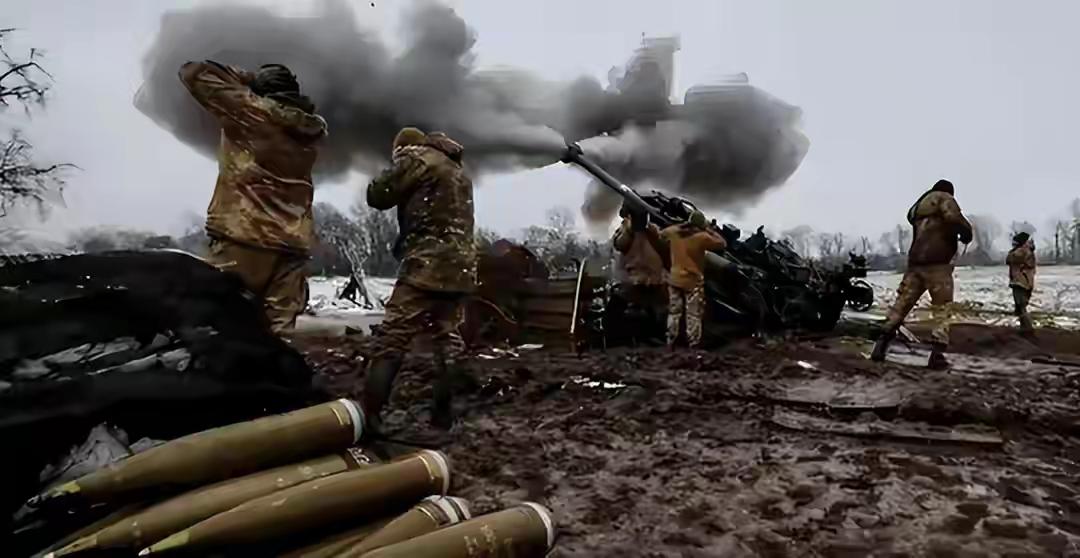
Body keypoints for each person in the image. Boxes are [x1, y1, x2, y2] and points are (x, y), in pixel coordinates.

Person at [179, 61, 327, 333]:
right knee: (278, 335)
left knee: (221, 325)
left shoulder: (253, 113)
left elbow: (193, 71)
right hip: (293, 244)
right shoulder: (310, 130)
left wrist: (247, 78)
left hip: (246, 236)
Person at [363, 127, 475, 431]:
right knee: (447, 339)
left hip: (427, 264)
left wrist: (396, 165)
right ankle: (443, 417)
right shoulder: (458, 171)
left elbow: (377, 195)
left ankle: (369, 416)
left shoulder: (418, 159)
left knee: (392, 337)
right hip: (461, 267)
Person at [871, 179, 973, 369]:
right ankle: (937, 356)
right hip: (938, 265)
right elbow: (954, 217)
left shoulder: (919, 208)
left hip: (915, 264)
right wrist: (967, 231)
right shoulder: (944, 198)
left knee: (901, 305)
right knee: (942, 310)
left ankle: (880, 347)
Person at [659, 210, 726, 349]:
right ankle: (693, 344)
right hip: (692, 281)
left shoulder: (673, 232)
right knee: (693, 314)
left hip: (675, 278)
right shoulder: (702, 237)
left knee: (674, 312)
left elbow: (662, 234)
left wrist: (681, 226)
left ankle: (670, 341)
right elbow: (722, 243)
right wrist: (709, 230)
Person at [611, 204, 667, 342]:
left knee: (655, 310)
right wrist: (630, 229)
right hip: (638, 279)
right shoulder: (626, 229)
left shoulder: (654, 230)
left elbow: (664, 245)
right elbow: (619, 244)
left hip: (650, 279)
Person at [1006, 231, 1037, 336]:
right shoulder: (1028, 251)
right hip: (1026, 282)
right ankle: (1024, 328)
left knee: (1021, 306)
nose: (1013, 244)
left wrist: (1014, 249)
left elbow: (1009, 258)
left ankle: (1027, 329)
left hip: (1020, 282)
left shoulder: (1022, 251)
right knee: (1020, 307)